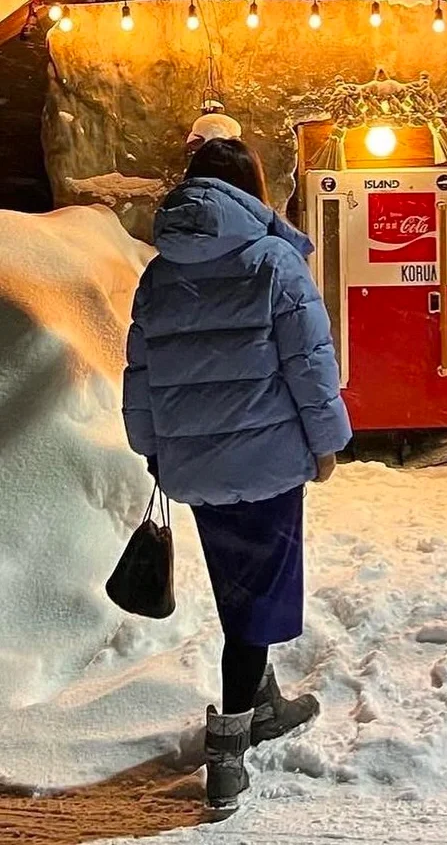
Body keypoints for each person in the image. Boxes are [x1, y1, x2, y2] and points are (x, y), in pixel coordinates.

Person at [122, 138, 351, 812]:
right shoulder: (274, 261)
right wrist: (327, 443)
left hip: (194, 462)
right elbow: (309, 364)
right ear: (249, 189)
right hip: (269, 461)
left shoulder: (159, 273)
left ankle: (265, 701)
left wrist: (152, 449)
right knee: (257, 602)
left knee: (239, 586)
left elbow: (140, 375)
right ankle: (228, 748)